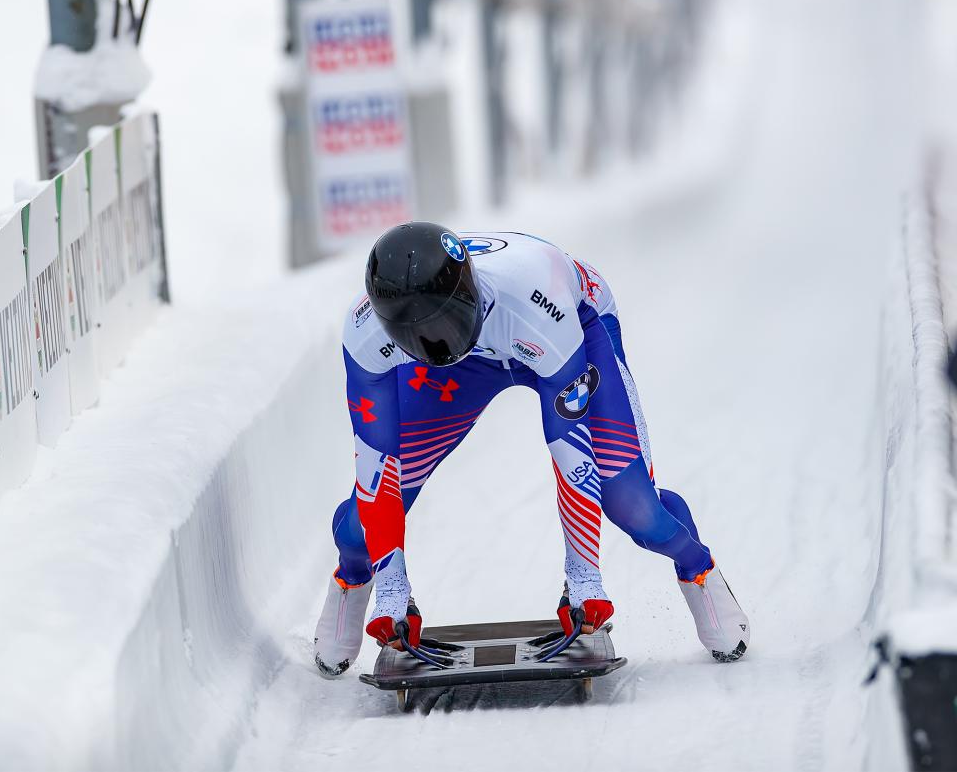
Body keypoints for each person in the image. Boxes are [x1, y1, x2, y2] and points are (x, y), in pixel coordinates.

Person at [313, 222, 750, 676]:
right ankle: (354, 578)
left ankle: (695, 564)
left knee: (634, 508)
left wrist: (585, 580)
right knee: (361, 530)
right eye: (420, 335)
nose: (439, 340)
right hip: (463, 368)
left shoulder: (538, 305)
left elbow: (569, 446)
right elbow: (377, 463)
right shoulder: (365, 333)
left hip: (569, 330)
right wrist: (391, 589)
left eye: (446, 323)